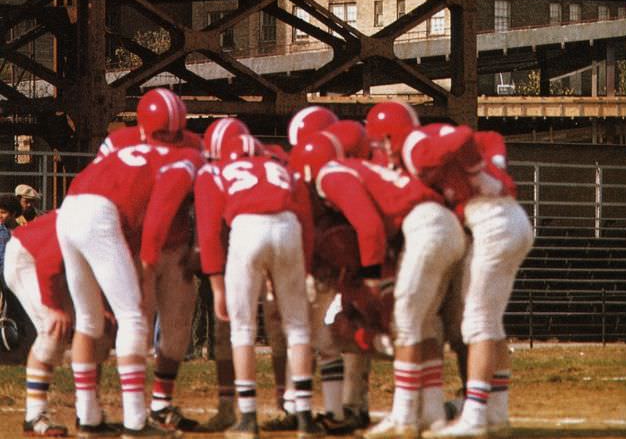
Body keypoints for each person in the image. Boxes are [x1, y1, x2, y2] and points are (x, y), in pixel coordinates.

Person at [294, 114, 467, 438]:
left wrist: (372, 279)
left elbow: (370, 226)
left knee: (405, 324)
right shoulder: (358, 169)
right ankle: (432, 415)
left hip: (425, 225)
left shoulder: (330, 175)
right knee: (423, 325)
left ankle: (403, 418)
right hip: (437, 225)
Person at [56, 91, 204, 439]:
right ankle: (137, 422)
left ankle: (88, 415)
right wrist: (149, 265)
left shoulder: (119, 143)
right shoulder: (186, 156)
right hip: (107, 217)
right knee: (133, 318)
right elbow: (158, 215)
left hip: (71, 207)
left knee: (89, 319)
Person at [402, 125, 533, 439]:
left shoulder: (425, 150)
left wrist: (477, 169)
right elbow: (486, 139)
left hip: (493, 223)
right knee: (491, 324)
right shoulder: (445, 157)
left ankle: (474, 415)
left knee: (478, 324)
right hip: (509, 220)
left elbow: (462, 137)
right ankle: (497, 413)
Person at [194, 132, 323, 439]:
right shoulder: (280, 165)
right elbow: (305, 217)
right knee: (298, 327)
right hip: (289, 226)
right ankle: (304, 415)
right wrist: (303, 269)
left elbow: (209, 232)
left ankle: (248, 418)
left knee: (243, 329)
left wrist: (216, 284)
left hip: (247, 228)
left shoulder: (215, 171)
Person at [5, 210, 116, 438]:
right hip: (28, 257)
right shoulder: (97, 216)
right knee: (52, 329)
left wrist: (102, 305)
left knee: (95, 328)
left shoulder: (120, 215)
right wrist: (55, 308)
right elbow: (49, 259)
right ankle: (34, 416)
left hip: (62, 265)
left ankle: (88, 412)